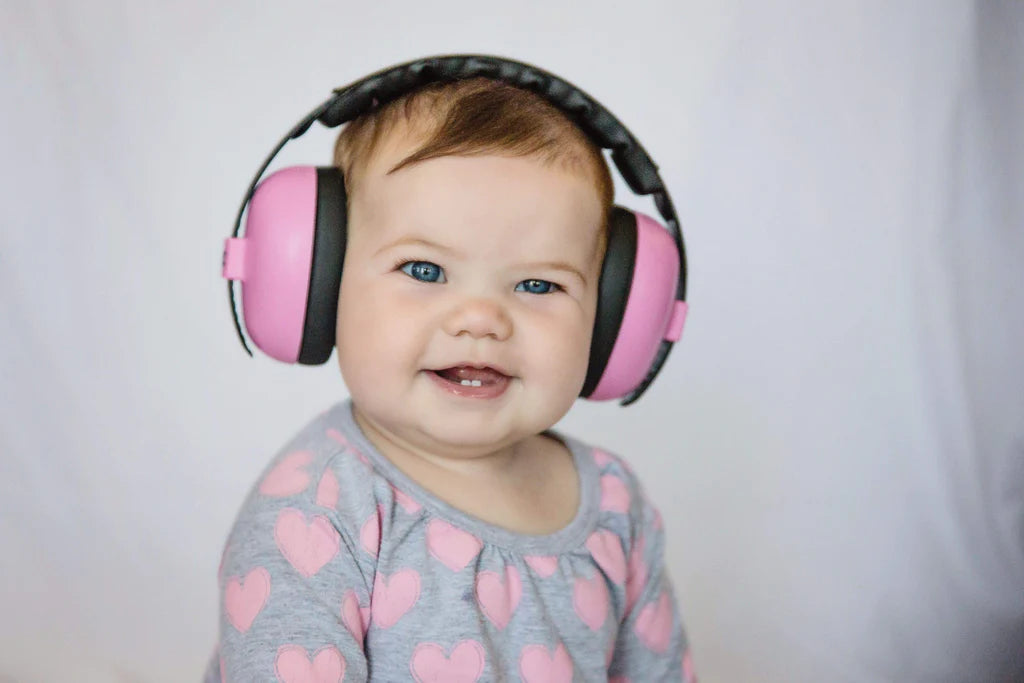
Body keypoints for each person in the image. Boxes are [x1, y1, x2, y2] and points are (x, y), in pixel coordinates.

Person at [208, 68, 695, 682]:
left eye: (538, 284)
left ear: (614, 321)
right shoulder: (312, 514)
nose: (482, 319)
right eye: (425, 270)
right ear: (318, 281)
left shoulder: (616, 507)